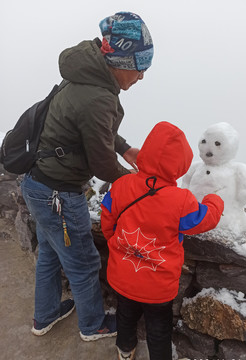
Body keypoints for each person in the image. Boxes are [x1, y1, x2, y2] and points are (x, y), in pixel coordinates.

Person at [20, 11, 154, 341]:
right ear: (122, 60)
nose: (140, 77)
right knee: (82, 261)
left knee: (50, 254)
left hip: (37, 183)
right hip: (59, 195)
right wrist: (143, 187)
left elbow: (88, 129)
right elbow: (103, 167)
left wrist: (125, 148)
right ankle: (92, 324)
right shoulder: (98, 96)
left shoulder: (87, 73)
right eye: (140, 67)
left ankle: (45, 314)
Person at [100, 121, 224, 360]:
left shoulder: (122, 185)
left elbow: (107, 219)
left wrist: (115, 244)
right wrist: (214, 201)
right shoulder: (181, 201)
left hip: (123, 275)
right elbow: (204, 220)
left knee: (125, 316)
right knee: (158, 328)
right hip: (158, 287)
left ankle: (125, 350)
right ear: (180, 164)